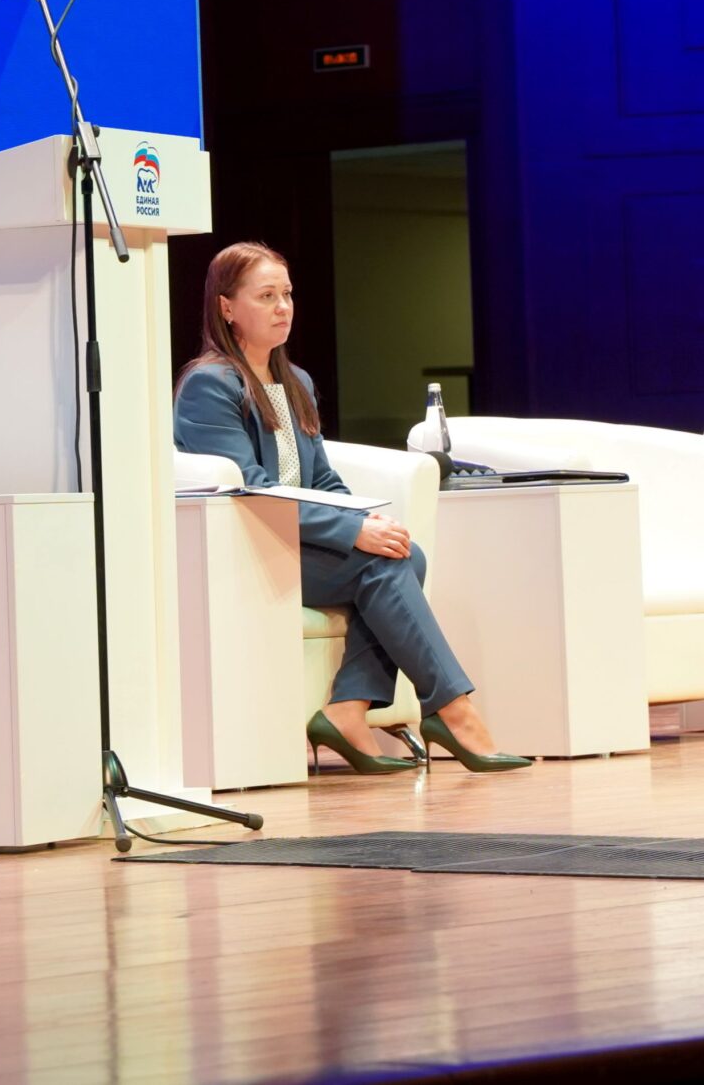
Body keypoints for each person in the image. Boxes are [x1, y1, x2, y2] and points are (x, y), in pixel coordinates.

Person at [173, 243, 528, 774]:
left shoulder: (296, 382)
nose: (283, 307)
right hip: (249, 546)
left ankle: (350, 709)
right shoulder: (210, 385)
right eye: (266, 296)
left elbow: (318, 480)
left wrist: (363, 520)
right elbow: (250, 490)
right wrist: (350, 533)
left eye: (287, 294)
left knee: (405, 553)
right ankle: (453, 711)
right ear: (227, 307)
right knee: (381, 563)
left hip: (296, 540)